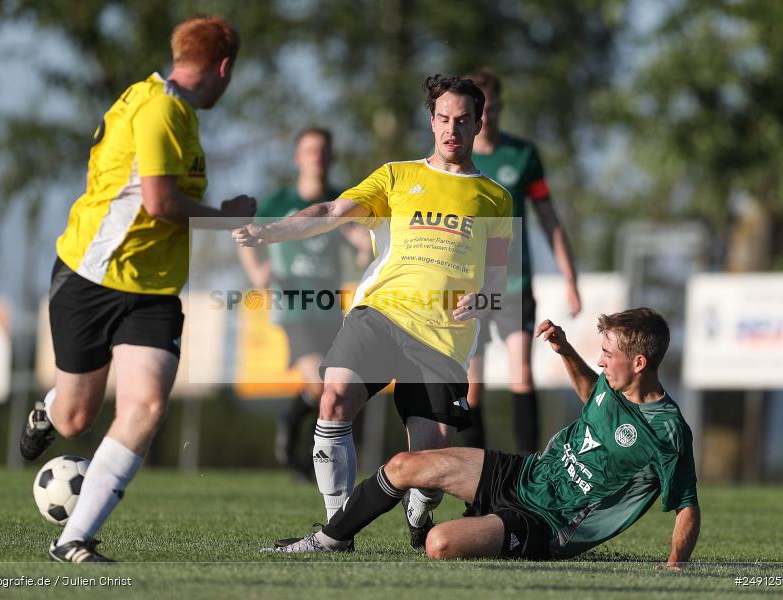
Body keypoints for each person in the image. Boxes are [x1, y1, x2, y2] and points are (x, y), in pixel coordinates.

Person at [235, 75, 513, 549]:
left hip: (441, 337)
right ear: (431, 122)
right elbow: (329, 210)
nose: (452, 129)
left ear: (478, 124)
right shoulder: (396, 176)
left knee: (428, 464)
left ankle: (419, 510)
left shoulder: (494, 197)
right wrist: (272, 232)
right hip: (380, 313)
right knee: (334, 397)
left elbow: (497, 278)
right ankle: (336, 531)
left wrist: (481, 299)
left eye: (463, 120)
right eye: (444, 119)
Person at [18, 15, 256, 563]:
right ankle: (49, 409)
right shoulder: (159, 109)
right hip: (91, 278)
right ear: (224, 67)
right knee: (76, 417)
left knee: (146, 407)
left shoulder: (175, 108)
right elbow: (160, 204)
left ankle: (72, 540)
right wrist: (224, 218)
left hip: (152, 292)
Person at [269, 308, 700, 570]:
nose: (601, 360)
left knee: (440, 546)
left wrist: (676, 567)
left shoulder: (667, 432)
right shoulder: (613, 383)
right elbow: (593, 395)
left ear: (640, 362)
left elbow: (686, 506)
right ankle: (331, 538)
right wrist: (567, 351)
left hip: (545, 524)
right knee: (404, 464)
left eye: (609, 354)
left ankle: (452, 527)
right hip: (523, 473)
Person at [237, 127, 370, 480]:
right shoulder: (279, 202)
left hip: (329, 305)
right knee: (319, 383)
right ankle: (307, 452)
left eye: (323, 150)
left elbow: (361, 254)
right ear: (298, 158)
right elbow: (246, 237)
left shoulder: (338, 201)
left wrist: (363, 249)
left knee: (336, 386)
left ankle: (296, 424)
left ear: (331, 156)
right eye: (310, 150)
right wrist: (258, 273)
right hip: (293, 305)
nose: (317, 156)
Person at [463, 68, 582, 453]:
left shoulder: (523, 155)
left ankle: (529, 473)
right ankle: (475, 482)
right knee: (472, 382)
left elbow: (549, 218)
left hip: (514, 283)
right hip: (469, 286)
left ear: (499, 107)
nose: (488, 116)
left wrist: (570, 277)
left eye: (493, 107)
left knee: (522, 372)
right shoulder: (452, 160)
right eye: (480, 108)